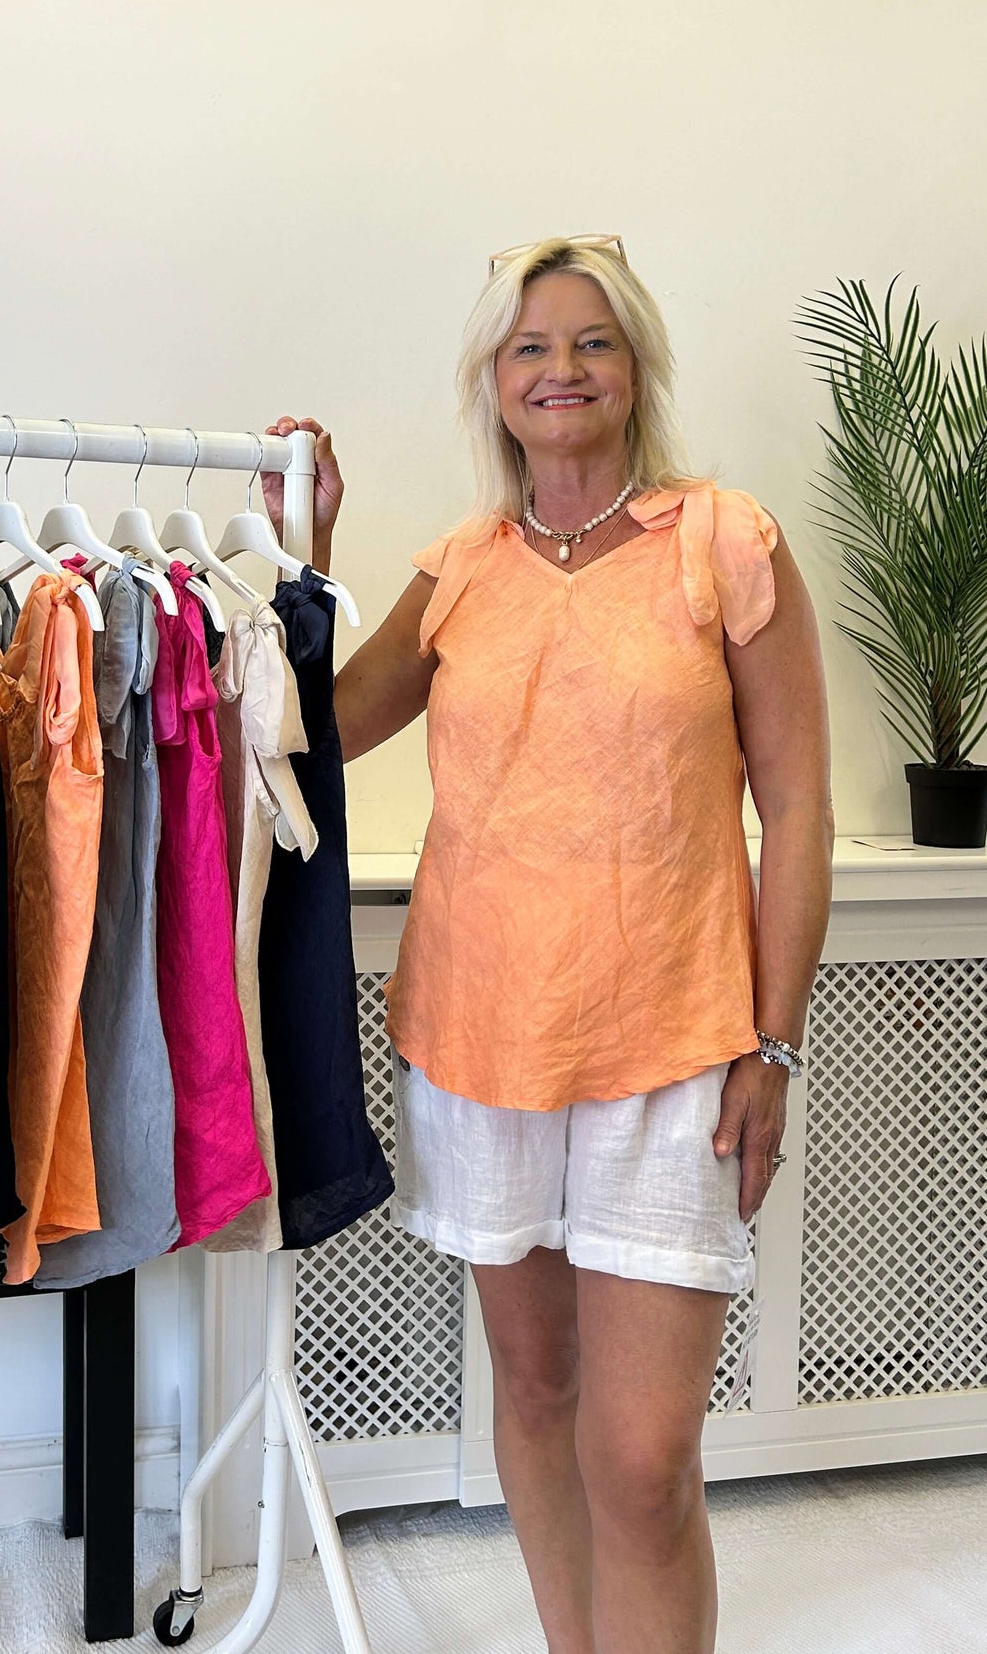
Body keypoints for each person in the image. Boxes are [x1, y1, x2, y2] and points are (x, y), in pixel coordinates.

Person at [261, 234, 833, 1654]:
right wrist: (302, 556)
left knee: (641, 1459)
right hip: (482, 1041)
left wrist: (772, 1045)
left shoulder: (723, 540)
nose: (560, 369)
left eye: (592, 341)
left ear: (636, 369)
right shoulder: (461, 569)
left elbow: (800, 809)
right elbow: (314, 736)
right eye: (530, 346)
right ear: (493, 381)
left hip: (677, 1050)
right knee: (532, 1393)